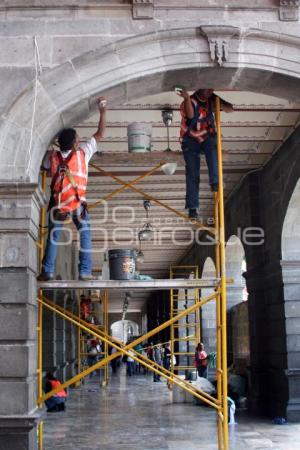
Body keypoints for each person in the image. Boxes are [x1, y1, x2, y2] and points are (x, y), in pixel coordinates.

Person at [37, 97, 107, 281]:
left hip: (59, 205)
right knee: (84, 234)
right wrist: (103, 112)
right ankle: (84, 271)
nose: (79, 140)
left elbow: (40, 163)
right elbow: (100, 133)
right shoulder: (82, 153)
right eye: (77, 139)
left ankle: (48, 271)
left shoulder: (51, 158)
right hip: (77, 203)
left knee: (54, 236)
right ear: (76, 143)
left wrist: (52, 139)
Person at [177, 88, 233, 219]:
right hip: (190, 139)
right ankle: (193, 207)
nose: (209, 90)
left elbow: (230, 109)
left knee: (213, 149)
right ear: (199, 88)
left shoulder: (211, 101)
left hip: (206, 137)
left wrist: (218, 99)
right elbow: (190, 116)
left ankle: (215, 182)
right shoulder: (189, 101)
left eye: (211, 89)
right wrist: (185, 98)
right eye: (207, 89)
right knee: (192, 172)